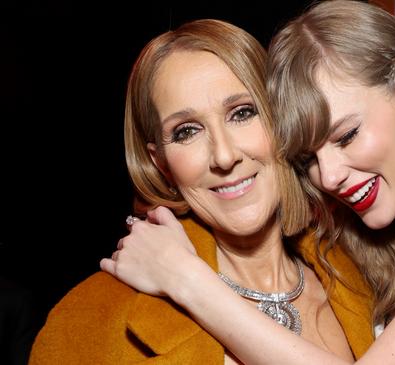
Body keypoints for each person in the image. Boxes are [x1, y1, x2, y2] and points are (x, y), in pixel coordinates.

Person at [101, 1, 395, 364]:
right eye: (308, 156)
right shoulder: (358, 244)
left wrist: (186, 279)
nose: (328, 176)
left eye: (347, 135)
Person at [28, 18, 376, 364]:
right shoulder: (89, 322)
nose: (224, 156)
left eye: (242, 113)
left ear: (281, 120)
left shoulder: (369, 276)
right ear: (161, 163)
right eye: (186, 132)